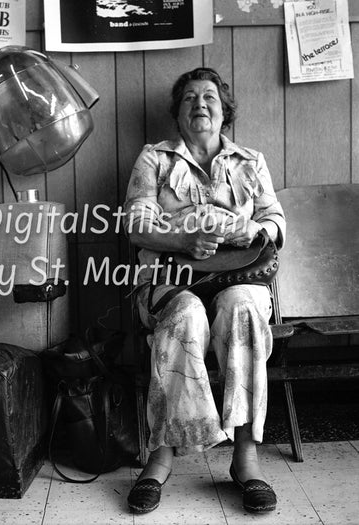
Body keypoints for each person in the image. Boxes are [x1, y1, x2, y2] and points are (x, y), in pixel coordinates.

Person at [123, 67, 286, 515]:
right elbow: (136, 225)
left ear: (224, 110)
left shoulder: (250, 162)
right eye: (190, 98)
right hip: (170, 279)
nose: (200, 104)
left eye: (210, 97)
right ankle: (162, 455)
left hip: (238, 277)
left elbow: (276, 219)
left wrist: (252, 231)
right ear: (177, 113)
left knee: (243, 310)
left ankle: (245, 457)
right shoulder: (154, 160)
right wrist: (181, 241)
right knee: (186, 313)